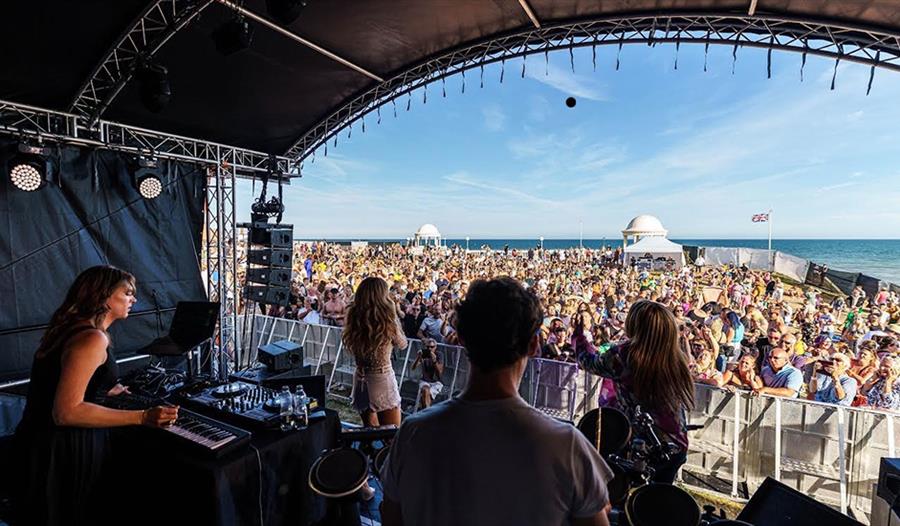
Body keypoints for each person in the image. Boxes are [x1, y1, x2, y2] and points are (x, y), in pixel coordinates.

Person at [381, 277, 613, 526]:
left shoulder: (413, 433)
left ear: (461, 338)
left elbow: (391, 516)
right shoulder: (566, 445)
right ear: (534, 345)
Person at [12, 266, 178, 526]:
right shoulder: (92, 339)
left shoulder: (69, 329)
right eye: (127, 293)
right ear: (103, 296)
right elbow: (66, 412)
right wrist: (143, 416)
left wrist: (104, 389)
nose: (133, 299)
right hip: (63, 449)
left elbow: (57, 380)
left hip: (38, 442)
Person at [574, 299, 695, 484]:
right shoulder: (675, 356)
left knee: (628, 499)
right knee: (657, 502)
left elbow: (588, 361)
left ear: (634, 324)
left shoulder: (625, 355)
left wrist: (580, 336)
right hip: (675, 445)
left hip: (643, 449)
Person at [343, 276, 407, 428]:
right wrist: (394, 315)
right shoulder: (387, 322)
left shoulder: (353, 317)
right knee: (391, 434)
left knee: (370, 431)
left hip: (360, 379)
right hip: (381, 378)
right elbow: (402, 344)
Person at [412, 338, 444, 410]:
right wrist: (418, 358)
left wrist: (434, 360)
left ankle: (424, 412)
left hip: (436, 382)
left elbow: (440, 372)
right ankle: (426, 413)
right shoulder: (424, 354)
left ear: (435, 347)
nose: (429, 349)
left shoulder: (439, 355)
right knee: (425, 390)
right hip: (425, 381)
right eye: (427, 347)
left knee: (425, 397)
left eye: (432, 347)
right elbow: (413, 368)